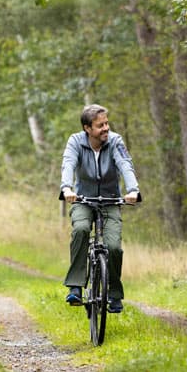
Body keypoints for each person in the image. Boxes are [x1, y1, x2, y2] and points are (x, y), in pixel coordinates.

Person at [59, 104, 141, 313]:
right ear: (87, 128)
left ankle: (114, 294)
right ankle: (76, 286)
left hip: (111, 200)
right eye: (100, 125)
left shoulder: (115, 141)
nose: (106, 128)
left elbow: (125, 164)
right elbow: (68, 164)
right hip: (83, 199)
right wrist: (67, 188)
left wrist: (133, 190)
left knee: (113, 247)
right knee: (81, 230)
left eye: (107, 123)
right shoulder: (75, 142)